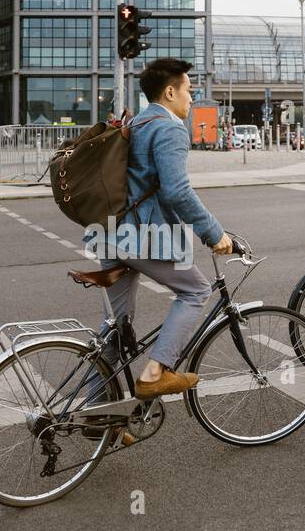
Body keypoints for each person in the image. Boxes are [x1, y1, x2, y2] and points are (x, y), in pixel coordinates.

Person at [85, 58, 233, 399]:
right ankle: (155, 374)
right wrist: (214, 233)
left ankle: (97, 411)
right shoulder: (168, 128)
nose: (192, 99)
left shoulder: (135, 122)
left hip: (109, 233)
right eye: (189, 91)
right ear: (170, 92)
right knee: (196, 290)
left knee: (115, 327)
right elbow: (177, 191)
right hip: (142, 237)